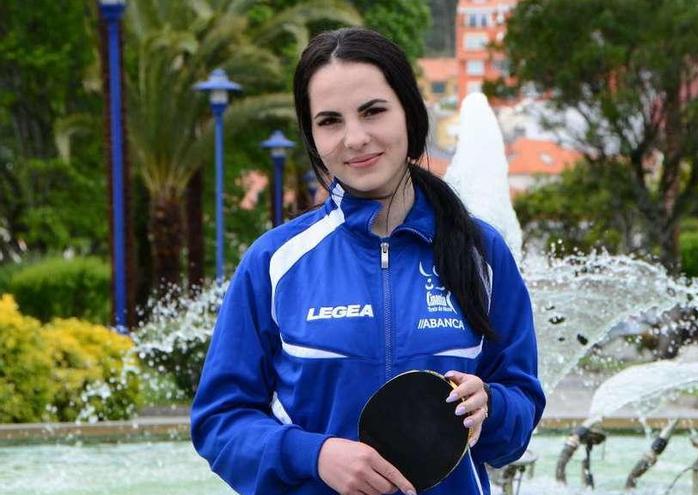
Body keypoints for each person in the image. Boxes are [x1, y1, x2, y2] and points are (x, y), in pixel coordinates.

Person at [191, 27, 545, 495]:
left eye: (373, 111)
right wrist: (314, 456)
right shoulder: (275, 262)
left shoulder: (482, 253)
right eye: (330, 121)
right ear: (312, 135)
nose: (355, 138)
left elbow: (519, 409)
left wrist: (493, 408)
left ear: (409, 112)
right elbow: (219, 422)